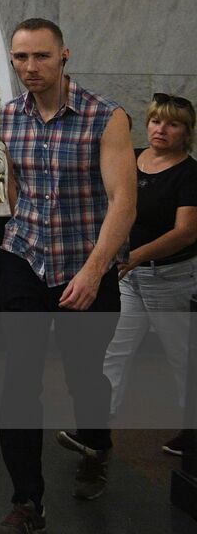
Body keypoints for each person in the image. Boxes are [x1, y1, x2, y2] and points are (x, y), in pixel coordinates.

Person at [0, 18, 137, 534]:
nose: (30, 68)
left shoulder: (105, 117)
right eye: (20, 58)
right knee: (19, 381)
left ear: (64, 56)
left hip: (87, 265)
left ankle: (96, 441)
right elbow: (16, 190)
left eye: (41, 57)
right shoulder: (9, 117)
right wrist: (26, 237)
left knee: (83, 374)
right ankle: (27, 501)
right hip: (25, 261)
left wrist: (95, 269)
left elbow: (123, 200)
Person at [102, 93, 197, 457]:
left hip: (170, 278)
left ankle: (192, 432)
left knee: (182, 357)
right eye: (157, 121)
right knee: (115, 348)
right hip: (131, 277)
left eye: (172, 124)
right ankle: (99, 421)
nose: (162, 129)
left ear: (186, 133)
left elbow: (185, 232)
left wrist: (137, 255)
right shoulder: (133, 158)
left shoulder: (189, 174)